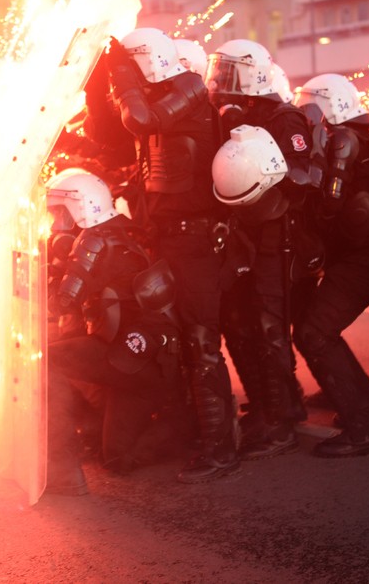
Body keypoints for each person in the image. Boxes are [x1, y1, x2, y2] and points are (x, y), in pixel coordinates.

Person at [100, 27, 239, 483]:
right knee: (175, 344)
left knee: (202, 345)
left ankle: (221, 449)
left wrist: (121, 76)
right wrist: (100, 78)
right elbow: (112, 135)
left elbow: (140, 121)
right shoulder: (158, 96)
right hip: (166, 238)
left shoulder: (189, 87)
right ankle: (190, 433)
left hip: (196, 242)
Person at [206, 39, 321, 459]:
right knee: (241, 324)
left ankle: (282, 421)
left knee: (271, 330)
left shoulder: (283, 117)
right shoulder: (240, 114)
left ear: (251, 74)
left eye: (227, 73)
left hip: (278, 240)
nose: (219, 82)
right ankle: (271, 405)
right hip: (248, 238)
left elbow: (304, 177)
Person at [44, 168, 184, 495]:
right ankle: (176, 428)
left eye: (58, 208)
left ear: (80, 205)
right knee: (118, 458)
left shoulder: (94, 241)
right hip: (140, 359)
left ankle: (61, 467)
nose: (55, 217)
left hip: (134, 358)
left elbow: (62, 302)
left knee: (46, 360)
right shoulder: (117, 230)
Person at [289, 73, 369, 457]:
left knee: (314, 333)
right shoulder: (364, 136)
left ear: (328, 105)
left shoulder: (344, 141)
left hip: (363, 256)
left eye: (310, 108)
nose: (306, 116)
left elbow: (329, 203)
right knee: (323, 330)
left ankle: (362, 427)